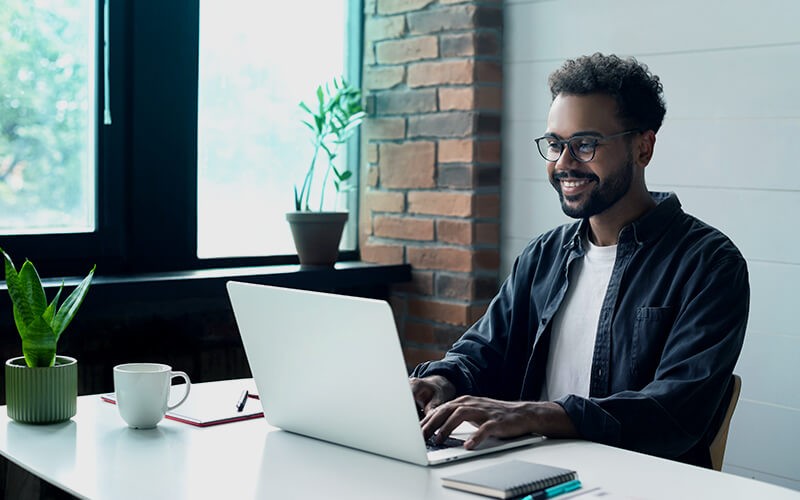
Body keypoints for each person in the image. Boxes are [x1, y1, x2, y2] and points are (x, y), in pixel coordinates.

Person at [409, 53, 749, 468]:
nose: (563, 163)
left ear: (643, 146)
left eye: (585, 144)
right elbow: (484, 351)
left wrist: (534, 414)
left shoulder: (710, 263)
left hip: (640, 481)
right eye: (555, 144)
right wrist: (439, 382)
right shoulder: (543, 255)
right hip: (532, 470)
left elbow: (673, 411)